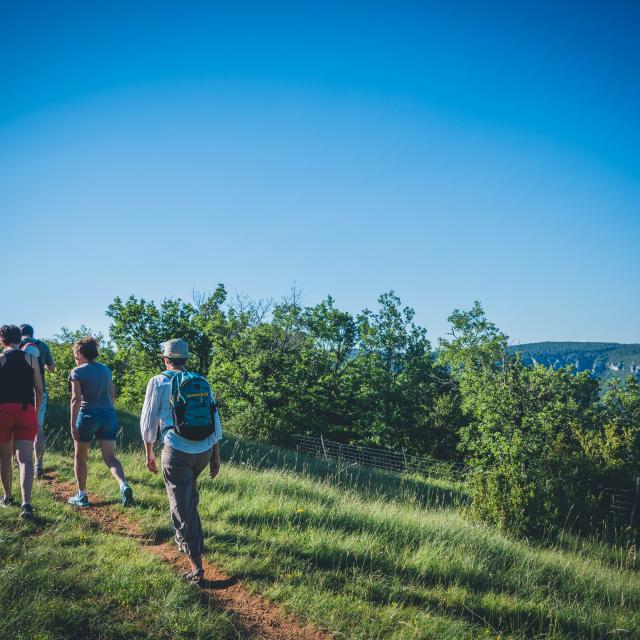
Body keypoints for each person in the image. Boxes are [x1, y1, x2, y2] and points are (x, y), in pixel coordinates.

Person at [140, 338, 222, 583]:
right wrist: (216, 456)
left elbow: (148, 420)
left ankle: (196, 566)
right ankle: (190, 538)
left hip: (176, 449)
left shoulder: (158, 381)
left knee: (181, 507)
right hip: (204, 450)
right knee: (188, 497)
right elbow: (215, 419)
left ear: (166, 360)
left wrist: (149, 452)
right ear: (185, 360)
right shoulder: (202, 381)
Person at [68, 336, 133, 508]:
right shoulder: (105, 370)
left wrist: (73, 422)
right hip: (108, 415)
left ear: (81, 354)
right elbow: (112, 395)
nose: (75, 358)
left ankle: (81, 495)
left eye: (75, 354)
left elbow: (76, 399)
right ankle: (123, 485)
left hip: (87, 415)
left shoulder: (77, 372)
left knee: (81, 457)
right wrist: (107, 411)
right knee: (111, 457)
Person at [0, 324, 43, 520]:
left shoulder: (0, 359)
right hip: (26, 410)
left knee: (4, 457)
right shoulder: (32, 359)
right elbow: (39, 389)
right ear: (20, 339)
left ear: (2, 340)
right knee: (25, 459)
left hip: (3, 411)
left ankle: (8, 497)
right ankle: (26, 503)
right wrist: (35, 409)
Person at [20, 324, 55, 479]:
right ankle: (38, 466)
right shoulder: (42, 345)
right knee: (38, 429)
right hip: (40, 392)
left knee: (17, 427)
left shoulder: (14, 345)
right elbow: (52, 368)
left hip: (18, 394)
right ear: (33, 333)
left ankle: (18, 463)